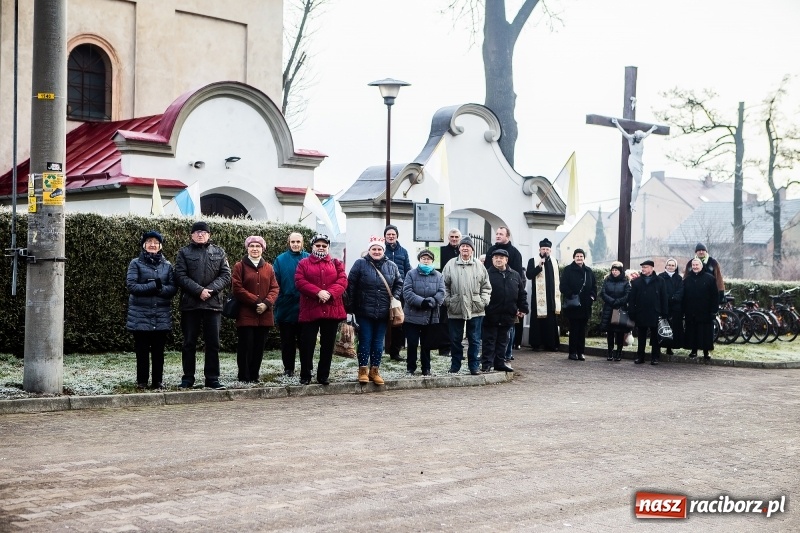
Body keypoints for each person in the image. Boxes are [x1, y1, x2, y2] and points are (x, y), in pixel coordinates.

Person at [175, 221, 231, 390]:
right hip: (190, 305)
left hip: (212, 305)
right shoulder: (183, 252)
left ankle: (212, 378)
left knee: (213, 343)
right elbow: (180, 275)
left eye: (203, 232)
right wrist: (199, 290)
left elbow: (226, 275)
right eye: (197, 232)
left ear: (209, 235)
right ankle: (188, 378)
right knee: (189, 343)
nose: (200, 234)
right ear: (191, 235)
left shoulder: (219, 252)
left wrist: (210, 290)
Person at [345, 236, 403, 385]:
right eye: (374, 249)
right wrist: (350, 307)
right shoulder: (360, 264)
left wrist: (395, 297)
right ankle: (363, 370)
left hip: (383, 311)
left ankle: (375, 370)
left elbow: (399, 283)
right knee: (365, 341)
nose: (376, 251)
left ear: (383, 251)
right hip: (364, 310)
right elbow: (350, 285)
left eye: (379, 249)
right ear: (369, 250)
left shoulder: (392, 266)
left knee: (378, 343)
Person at [126, 230, 178, 390]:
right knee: (141, 351)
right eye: (149, 242)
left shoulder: (167, 265)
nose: (152, 245)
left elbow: (173, 288)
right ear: (144, 245)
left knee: (158, 352)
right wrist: (153, 285)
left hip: (161, 315)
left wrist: (159, 289)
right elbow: (132, 286)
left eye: (156, 242)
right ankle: (142, 381)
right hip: (140, 315)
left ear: (160, 246)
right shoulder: (135, 263)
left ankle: (157, 381)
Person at [294, 234, 348, 385]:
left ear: (328, 247)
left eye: (324, 246)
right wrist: (317, 292)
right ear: (312, 246)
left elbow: (342, 280)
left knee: (327, 345)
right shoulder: (303, 263)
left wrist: (330, 293)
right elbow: (299, 281)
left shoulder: (336, 263)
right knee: (307, 344)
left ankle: (323, 375)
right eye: (318, 245)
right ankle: (305, 375)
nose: (321, 248)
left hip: (331, 309)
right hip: (311, 309)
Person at [231, 236, 280, 383]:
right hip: (246, 313)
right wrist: (256, 302)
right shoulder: (239, 266)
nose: (255, 249)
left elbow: (275, 288)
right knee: (246, 346)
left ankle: (254, 375)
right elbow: (237, 288)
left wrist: (266, 303)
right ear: (247, 248)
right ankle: (244, 376)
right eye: (252, 246)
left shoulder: (269, 268)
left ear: (262, 249)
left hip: (264, 314)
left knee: (259, 347)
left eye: (258, 246)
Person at [442, 236, 492, 375]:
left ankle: (473, 366)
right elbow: (444, 285)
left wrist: (483, 301)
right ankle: (455, 365)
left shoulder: (479, 266)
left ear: (472, 250)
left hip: (476, 308)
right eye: (463, 246)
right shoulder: (450, 264)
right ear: (459, 249)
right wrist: (448, 301)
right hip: (455, 307)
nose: (465, 248)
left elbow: (486, 287)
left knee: (474, 339)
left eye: (468, 247)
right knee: (455, 339)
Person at [481, 249, 528, 373]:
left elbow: (521, 293)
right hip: (490, 313)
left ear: (506, 260)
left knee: (503, 340)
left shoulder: (515, 275)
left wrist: (523, 308)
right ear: (492, 260)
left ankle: (499, 363)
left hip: (508, 313)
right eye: (496, 257)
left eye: (501, 257)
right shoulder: (486, 274)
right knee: (489, 341)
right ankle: (486, 364)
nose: (498, 259)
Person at [402, 249, 446, 376]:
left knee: (427, 344)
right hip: (412, 316)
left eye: (428, 258)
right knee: (412, 342)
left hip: (430, 316)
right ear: (419, 260)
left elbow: (442, 292)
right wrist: (422, 302)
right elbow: (407, 292)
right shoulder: (411, 274)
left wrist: (432, 301)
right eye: (423, 258)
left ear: (432, 260)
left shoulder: (439, 275)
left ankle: (426, 368)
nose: (426, 260)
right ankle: (411, 367)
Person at [483, 226, 525, 351]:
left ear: (508, 236)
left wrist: (519, 303)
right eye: (497, 233)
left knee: (507, 332)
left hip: (508, 299)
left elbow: (518, 278)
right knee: (490, 334)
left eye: (501, 234)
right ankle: (488, 359)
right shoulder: (491, 250)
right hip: (492, 298)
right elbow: (484, 272)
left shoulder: (515, 253)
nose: (497, 236)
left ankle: (506, 355)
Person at [273, 232, 309, 377]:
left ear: (302, 243)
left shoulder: (308, 258)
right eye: (292, 242)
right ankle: (288, 368)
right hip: (286, 307)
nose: (295, 244)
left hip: (305, 307)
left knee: (305, 341)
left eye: (298, 242)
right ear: (289, 242)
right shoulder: (280, 259)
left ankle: (307, 367)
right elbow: (275, 282)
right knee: (287, 341)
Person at [628, 260, 668, 365]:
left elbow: (664, 298)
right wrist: (632, 311)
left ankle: (655, 357)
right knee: (641, 336)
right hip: (641, 312)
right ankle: (640, 357)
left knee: (655, 336)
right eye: (642, 267)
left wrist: (664, 312)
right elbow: (632, 299)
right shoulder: (637, 282)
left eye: (645, 267)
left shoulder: (660, 281)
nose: (643, 269)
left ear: (651, 268)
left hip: (655, 312)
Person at [611, 117, 657, 211]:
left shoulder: (642, 137)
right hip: (633, 161)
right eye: (639, 137)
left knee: (638, 184)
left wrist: (652, 129)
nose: (641, 139)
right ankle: (633, 202)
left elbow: (647, 134)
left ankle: (633, 202)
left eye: (641, 137)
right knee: (638, 183)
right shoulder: (630, 139)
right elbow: (623, 131)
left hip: (640, 162)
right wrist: (616, 123)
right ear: (635, 136)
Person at [559, 248, 597, 361]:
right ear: (574, 257)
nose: (579, 258)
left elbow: (594, 286)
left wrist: (592, 296)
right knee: (574, 329)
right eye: (577, 256)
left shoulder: (588, 271)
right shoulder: (568, 270)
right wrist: (571, 294)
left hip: (585, 305)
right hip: (574, 305)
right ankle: (572, 352)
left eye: (581, 256)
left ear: (584, 258)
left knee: (582, 330)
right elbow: (563, 286)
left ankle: (581, 352)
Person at [526, 238, 561, 351]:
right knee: (538, 320)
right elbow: (529, 275)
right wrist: (539, 267)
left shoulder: (555, 262)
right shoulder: (533, 260)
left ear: (550, 250)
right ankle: (537, 344)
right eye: (543, 249)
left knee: (550, 321)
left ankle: (550, 344)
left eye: (547, 249)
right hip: (538, 297)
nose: (545, 251)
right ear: (539, 249)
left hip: (551, 297)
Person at [383, 224, 411, 361]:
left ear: (397, 236)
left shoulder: (403, 252)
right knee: (382, 320)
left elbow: (407, 269)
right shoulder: (381, 250)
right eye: (388, 234)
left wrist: (404, 286)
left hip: (399, 291)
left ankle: (395, 351)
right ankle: (382, 348)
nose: (391, 236)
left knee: (398, 322)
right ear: (385, 236)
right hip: (383, 289)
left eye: (393, 234)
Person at [682, 257, 719, 359]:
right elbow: (684, 296)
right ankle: (693, 351)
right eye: (693, 265)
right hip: (691, 311)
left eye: (697, 265)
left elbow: (714, 296)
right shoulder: (687, 279)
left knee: (705, 333)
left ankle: (706, 352)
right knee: (692, 332)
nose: (695, 267)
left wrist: (713, 310)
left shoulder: (710, 278)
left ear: (701, 266)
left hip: (705, 311)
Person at [437, 228, 462, 357]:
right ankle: (444, 348)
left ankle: (456, 347)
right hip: (444, 290)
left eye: (456, 237)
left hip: (459, 291)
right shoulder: (441, 251)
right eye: (452, 236)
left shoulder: (463, 252)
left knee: (458, 322)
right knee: (444, 321)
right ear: (448, 237)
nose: (454, 239)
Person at [598, 261, 630, 362]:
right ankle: (610, 352)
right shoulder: (607, 280)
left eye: (616, 270)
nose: (614, 272)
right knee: (610, 332)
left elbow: (627, 295)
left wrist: (618, 302)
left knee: (620, 332)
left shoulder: (626, 282)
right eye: (613, 270)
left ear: (620, 271)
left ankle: (619, 352)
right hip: (609, 309)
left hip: (620, 309)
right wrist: (612, 301)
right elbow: (603, 293)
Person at [658, 258, 684, 356]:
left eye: (673, 265)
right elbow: (659, 291)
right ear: (666, 266)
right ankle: (658, 347)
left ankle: (669, 348)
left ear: (676, 267)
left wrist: (673, 298)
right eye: (669, 265)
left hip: (675, 308)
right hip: (663, 307)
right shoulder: (660, 277)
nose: (671, 267)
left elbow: (681, 291)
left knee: (672, 328)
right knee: (661, 327)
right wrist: (666, 299)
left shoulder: (679, 278)